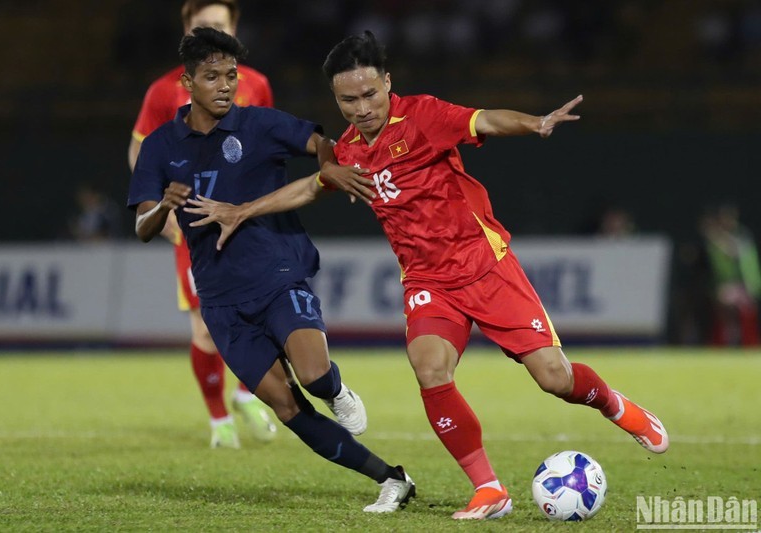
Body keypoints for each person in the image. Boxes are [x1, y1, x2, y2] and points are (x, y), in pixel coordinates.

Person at [191, 31, 670, 521]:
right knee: (429, 368)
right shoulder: (351, 152)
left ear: (388, 84)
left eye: (370, 94)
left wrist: (535, 122)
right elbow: (311, 188)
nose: (361, 108)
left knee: (554, 378)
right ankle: (489, 489)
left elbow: (484, 119)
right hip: (426, 282)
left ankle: (618, 408)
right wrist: (243, 210)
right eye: (348, 99)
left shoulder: (422, 116)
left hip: (484, 265)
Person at [128, 27, 416, 513]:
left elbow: (320, 142)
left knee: (314, 374)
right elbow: (141, 225)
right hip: (219, 300)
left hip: (277, 274)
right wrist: (164, 209)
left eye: (231, 76)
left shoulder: (259, 125)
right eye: (212, 76)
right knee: (286, 407)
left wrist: (333, 168)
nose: (225, 85)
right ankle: (391, 479)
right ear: (187, 81)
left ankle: (337, 389)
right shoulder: (161, 146)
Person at [128, 0, 276, 449]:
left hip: (247, 220)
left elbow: (267, 143)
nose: (210, 31)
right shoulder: (162, 92)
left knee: (269, 310)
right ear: (187, 30)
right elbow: (140, 152)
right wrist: (158, 206)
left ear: (234, 29)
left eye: (219, 24)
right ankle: (219, 421)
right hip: (194, 224)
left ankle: (246, 392)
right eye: (202, 25)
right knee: (206, 327)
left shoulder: (257, 86)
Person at [701, 203, 761, 346]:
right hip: (728, 285)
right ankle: (729, 340)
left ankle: (748, 341)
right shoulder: (714, 240)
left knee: (747, 311)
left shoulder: (741, 236)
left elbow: (733, 252)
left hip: (748, 284)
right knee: (725, 306)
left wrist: (715, 236)